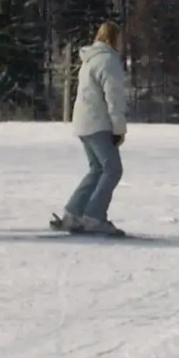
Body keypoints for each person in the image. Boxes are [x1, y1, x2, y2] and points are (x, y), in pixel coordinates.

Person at [55, 22, 128, 234]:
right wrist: (118, 129)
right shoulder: (109, 61)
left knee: (97, 169)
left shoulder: (90, 59)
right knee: (113, 169)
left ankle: (74, 212)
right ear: (114, 38)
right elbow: (113, 97)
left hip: (83, 122)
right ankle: (94, 216)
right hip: (99, 123)